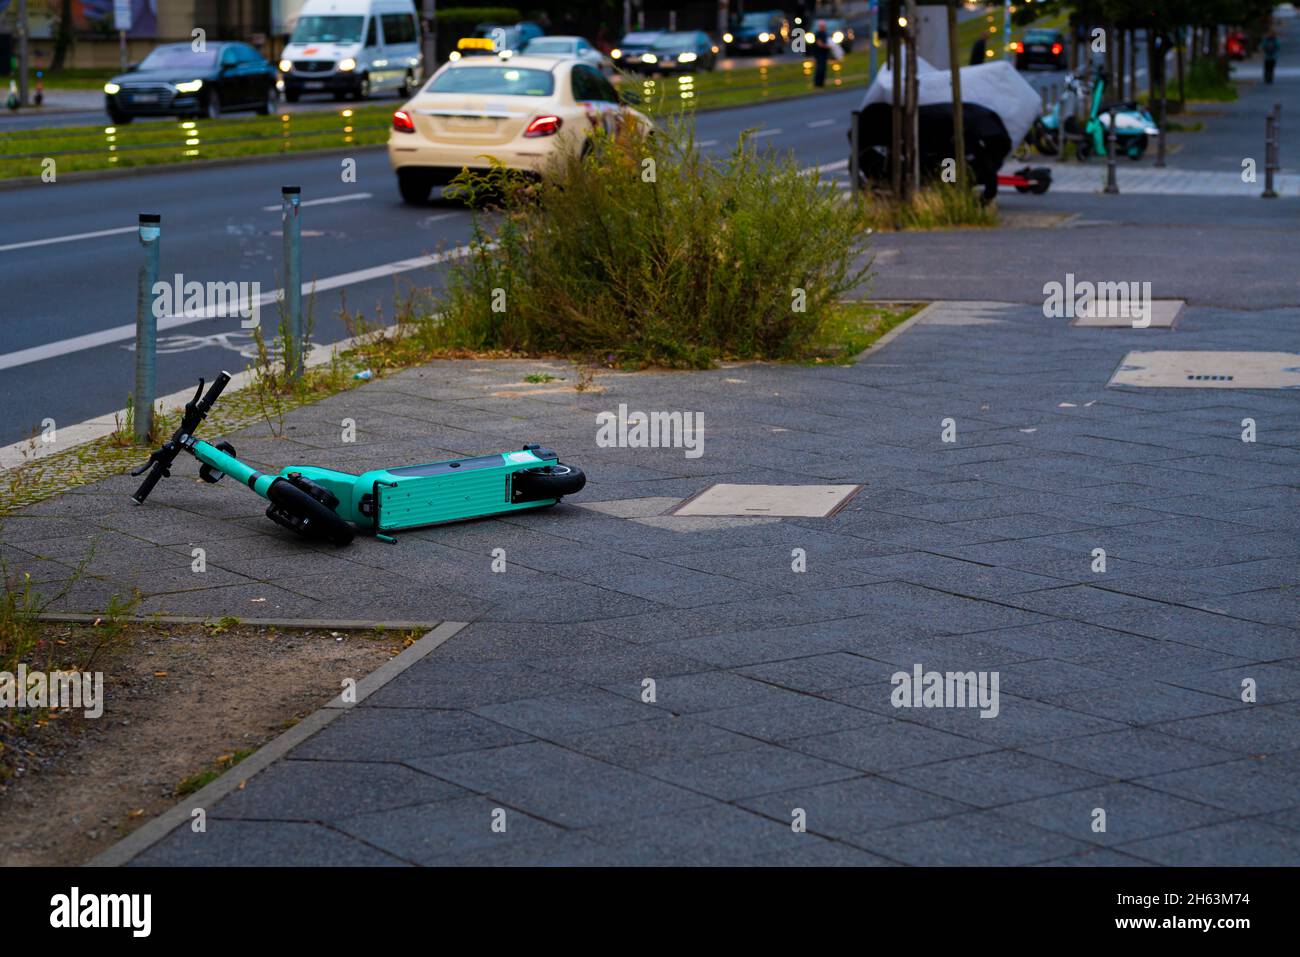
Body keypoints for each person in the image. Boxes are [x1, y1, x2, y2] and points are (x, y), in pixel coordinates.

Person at [811, 20, 830, 88]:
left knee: (823, 68)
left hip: (824, 53)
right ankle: (817, 83)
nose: (823, 27)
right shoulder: (818, 34)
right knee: (820, 68)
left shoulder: (825, 33)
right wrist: (827, 46)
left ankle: (821, 83)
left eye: (824, 26)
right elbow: (819, 44)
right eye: (822, 26)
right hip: (819, 54)